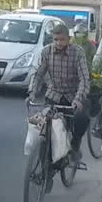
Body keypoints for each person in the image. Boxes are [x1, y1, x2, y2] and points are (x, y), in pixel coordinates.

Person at [28, 24, 90, 170]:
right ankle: (46, 166)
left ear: (68, 39)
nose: (58, 43)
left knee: (81, 118)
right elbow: (38, 74)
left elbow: (84, 79)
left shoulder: (78, 52)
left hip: (73, 96)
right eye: (55, 39)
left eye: (62, 40)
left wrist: (78, 99)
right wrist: (32, 91)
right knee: (45, 126)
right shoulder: (46, 52)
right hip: (54, 94)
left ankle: (74, 146)